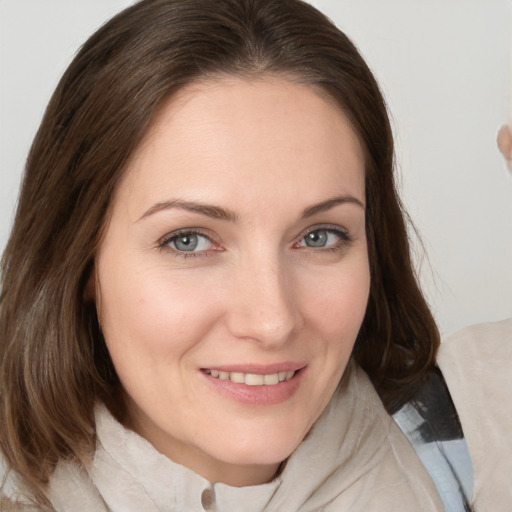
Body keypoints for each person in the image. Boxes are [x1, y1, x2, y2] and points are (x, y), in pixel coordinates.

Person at [0, 0, 508, 510]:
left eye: (319, 236)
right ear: (81, 259)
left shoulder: (475, 433)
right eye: (189, 241)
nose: (272, 321)